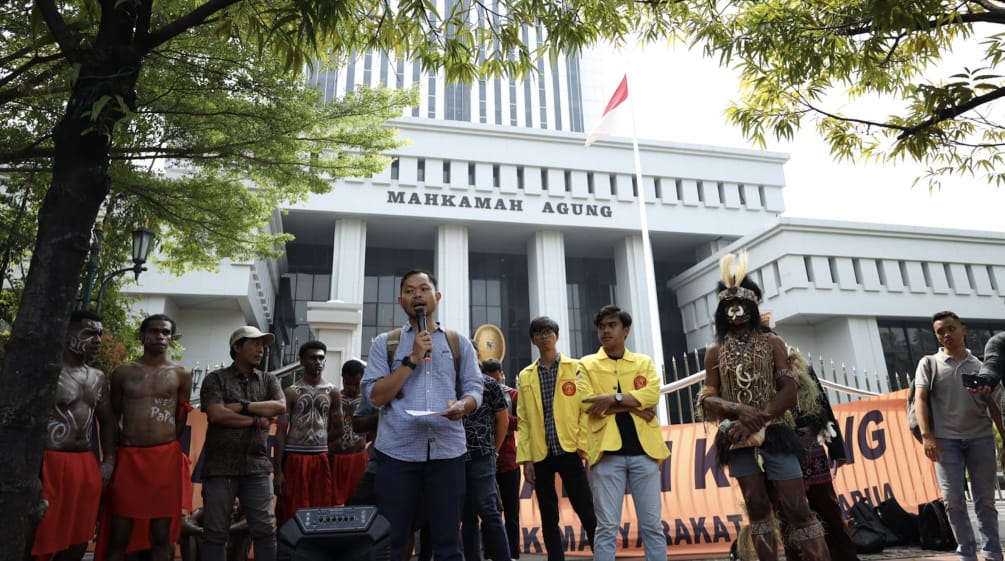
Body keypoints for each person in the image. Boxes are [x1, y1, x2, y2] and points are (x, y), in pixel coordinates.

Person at [696, 251, 829, 561]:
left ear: (753, 308)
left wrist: (759, 418)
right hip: (738, 437)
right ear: (721, 311)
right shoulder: (715, 351)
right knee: (756, 507)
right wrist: (739, 411)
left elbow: (790, 390)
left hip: (777, 433)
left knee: (797, 507)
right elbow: (708, 397)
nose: (736, 310)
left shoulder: (772, 343)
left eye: (741, 305)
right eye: (729, 306)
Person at [361, 269, 483, 561]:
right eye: (410, 290)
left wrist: (463, 405)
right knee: (391, 539)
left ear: (436, 297)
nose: (417, 295)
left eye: (424, 289)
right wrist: (412, 358)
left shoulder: (458, 342)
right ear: (401, 301)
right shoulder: (385, 344)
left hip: (447, 453)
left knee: (447, 542)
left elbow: (475, 388)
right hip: (396, 454)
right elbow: (376, 396)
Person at [576, 305, 669, 561]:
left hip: (644, 453)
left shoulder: (643, 362)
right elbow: (585, 402)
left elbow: (652, 395)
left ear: (625, 330)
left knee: (652, 526)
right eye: (602, 326)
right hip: (607, 455)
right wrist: (635, 408)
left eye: (612, 325)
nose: (605, 330)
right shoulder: (586, 364)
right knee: (606, 528)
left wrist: (612, 398)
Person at [915, 311, 1004, 561]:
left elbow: (996, 406)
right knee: (952, 501)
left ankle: (992, 552)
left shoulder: (982, 367)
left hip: (981, 439)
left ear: (963, 330)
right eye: (940, 331)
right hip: (945, 442)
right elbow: (920, 399)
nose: (946, 335)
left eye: (950, 328)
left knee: (986, 501)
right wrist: (927, 436)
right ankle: (966, 552)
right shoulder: (929, 363)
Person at [105, 314, 193, 561]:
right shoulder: (122, 373)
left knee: (161, 535)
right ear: (142, 335)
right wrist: (112, 457)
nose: (160, 336)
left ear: (172, 338)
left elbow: (180, 420)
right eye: (154, 331)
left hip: (164, 459)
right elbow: (113, 418)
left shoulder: (182, 374)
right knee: (118, 534)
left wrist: (162, 445)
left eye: (165, 332)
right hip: (129, 456)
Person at [31, 310, 117, 561]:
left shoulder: (97, 377)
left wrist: (108, 461)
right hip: (46, 463)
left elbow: (108, 420)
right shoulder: (45, 372)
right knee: (39, 537)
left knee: (78, 540)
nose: (98, 340)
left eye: (100, 334)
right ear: (67, 333)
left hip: (83, 464)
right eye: (90, 333)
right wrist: (30, 472)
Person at [200, 326, 286, 561]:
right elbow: (217, 415)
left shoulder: (269, 379)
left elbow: (279, 406)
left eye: (262, 344)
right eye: (254, 343)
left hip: (257, 467)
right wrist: (256, 419)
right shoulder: (215, 379)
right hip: (220, 467)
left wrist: (242, 406)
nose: (261, 349)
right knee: (215, 533)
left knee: (265, 531)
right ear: (237, 347)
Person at [516, 316, 597, 561]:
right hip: (541, 453)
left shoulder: (576, 368)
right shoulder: (526, 375)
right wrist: (526, 459)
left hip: (569, 449)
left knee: (586, 508)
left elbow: (586, 409)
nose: (545, 337)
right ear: (533, 340)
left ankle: (603, 555)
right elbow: (524, 421)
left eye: (549, 332)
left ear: (557, 336)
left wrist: (581, 445)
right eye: (539, 333)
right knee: (548, 515)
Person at [273, 341, 336, 526]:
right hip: (294, 459)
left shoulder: (333, 392)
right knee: (291, 512)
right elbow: (281, 434)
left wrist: (323, 443)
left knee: (320, 511)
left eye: (321, 358)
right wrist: (278, 472)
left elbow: (338, 429)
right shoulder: (291, 392)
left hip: (320, 458)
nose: (318, 362)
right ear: (302, 361)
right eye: (313, 358)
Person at [460, 361, 511, 561]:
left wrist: (493, 451)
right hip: (455, 458)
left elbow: (503, 420)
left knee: (489, 511)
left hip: (482, 455)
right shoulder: (453, 383)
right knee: (467, 517)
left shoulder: (490, 384)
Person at [482, 358, 521, 559]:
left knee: (512, 514)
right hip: (484, 463)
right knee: (489, 513)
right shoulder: (476, 394)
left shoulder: (512, 395)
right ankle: (488, 555)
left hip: (509, 463)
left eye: (496, 381)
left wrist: (501, 417)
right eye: (489, 381)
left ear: (502, 375)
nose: (493, 386)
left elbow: (523, 421)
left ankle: (513, 554)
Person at [330, 358, 369, 506]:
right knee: (333, 501)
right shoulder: (334, 398)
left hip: (358, 458)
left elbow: (371, 430)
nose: (352, 388)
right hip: (335, 457)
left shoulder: (367, 401)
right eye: (347, 384)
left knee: (357, 501)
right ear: (342, 379)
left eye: (356, 384)